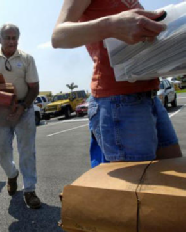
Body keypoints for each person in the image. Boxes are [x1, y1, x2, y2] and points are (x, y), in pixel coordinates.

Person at [52, 0, 182, 163]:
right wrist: (112, 25)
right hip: (118, 101)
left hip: (149, 94)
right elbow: (58, 36)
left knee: (173, 172)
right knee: (139, 184)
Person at [0, 24, 41, 209]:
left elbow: (34, 88)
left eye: (14, 38)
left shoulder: (27, 58)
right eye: (7, 37)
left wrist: (22, 106)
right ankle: (12, 173)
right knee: (0, 151)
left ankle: (29, 190)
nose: (11, 41)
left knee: (27, 151)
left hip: (24, 108)